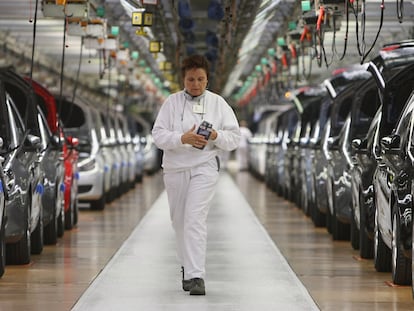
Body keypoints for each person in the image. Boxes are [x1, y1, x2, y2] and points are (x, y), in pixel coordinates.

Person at [152, 55, 241, 296]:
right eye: (191, 79)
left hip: (204, 167)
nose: (196, 84)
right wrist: (182, 138)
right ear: (183, 79)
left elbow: (234, 138)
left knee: (194, 218)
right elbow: (158, 136)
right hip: (175, 169)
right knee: (179, 221)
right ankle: (187, 266)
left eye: (200, 79)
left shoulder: (218, 103)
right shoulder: (171, 103)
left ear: (207, 79)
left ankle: (196, 275)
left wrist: (215, 136)